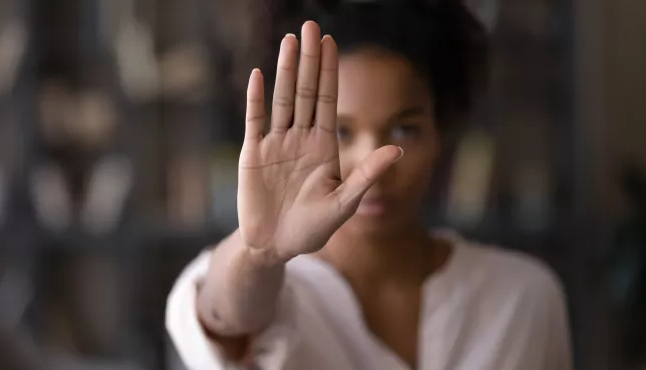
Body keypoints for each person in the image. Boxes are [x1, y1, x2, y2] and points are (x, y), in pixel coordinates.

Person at [166, 2, 572, 369]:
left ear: (442, 130)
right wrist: (259, 252)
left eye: (404, 129)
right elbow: (224, 313)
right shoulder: (256, 278)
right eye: (340, 132)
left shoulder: (524, 298)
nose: (372, 166)